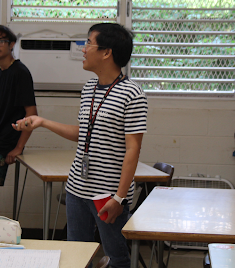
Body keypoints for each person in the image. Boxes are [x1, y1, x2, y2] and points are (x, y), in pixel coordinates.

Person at [13, 23, 148, 268]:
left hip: (107, 194)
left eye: (88, 43)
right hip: (77, 186)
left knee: (116, 255)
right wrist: (42, 122)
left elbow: (133, 150)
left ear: (107, 52)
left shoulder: (132, 93)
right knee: (77, 252)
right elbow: (84, 133)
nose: (83, 49)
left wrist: (119, 198)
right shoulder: (89, 89)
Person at [0, 25, 37, 186]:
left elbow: (31, 114)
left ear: (12, 44)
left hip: (5, 144)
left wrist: (19, 147)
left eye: (1, 41)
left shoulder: (20, 72)